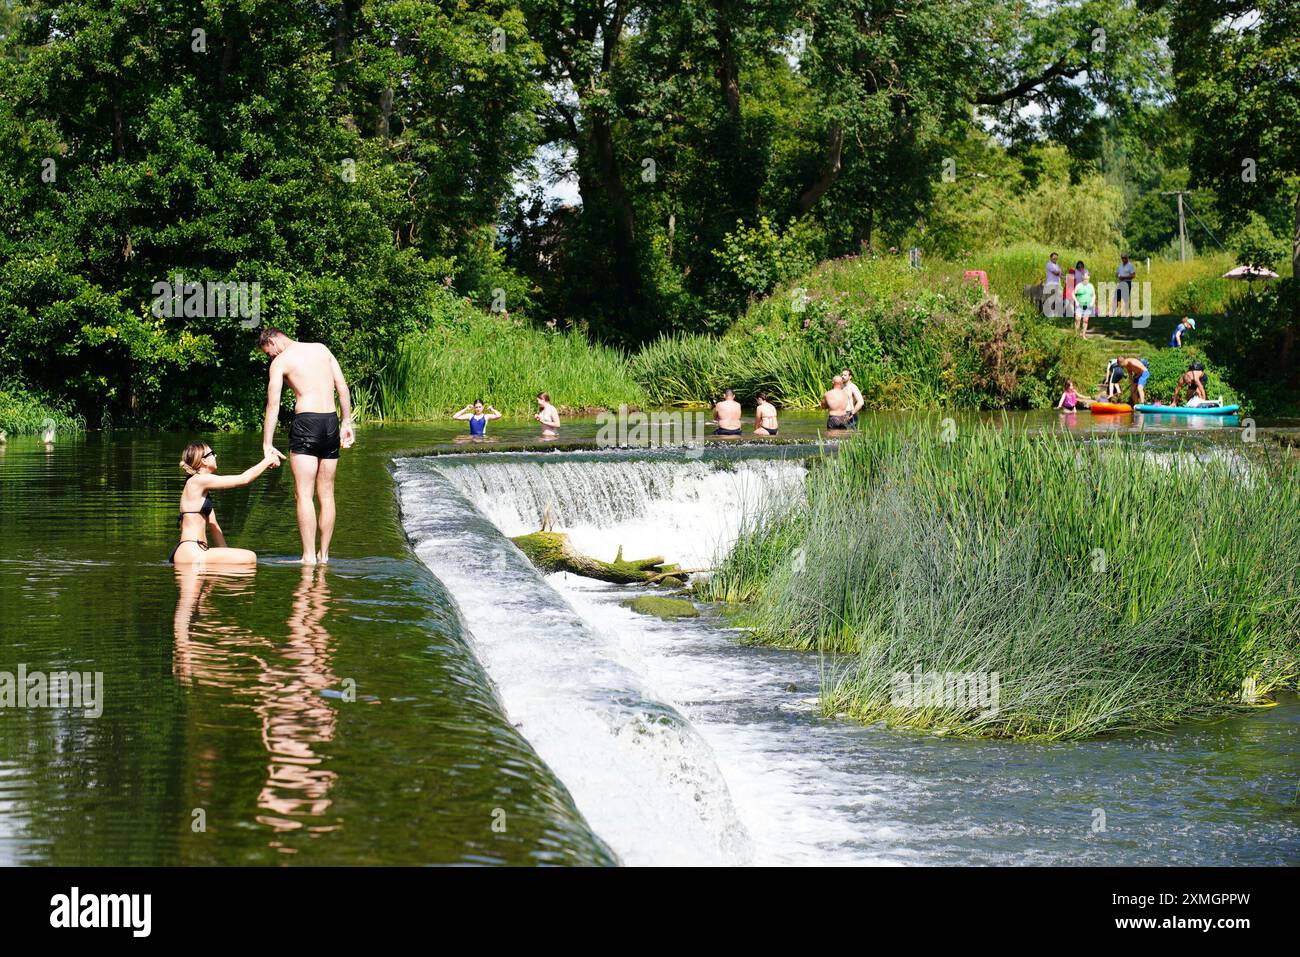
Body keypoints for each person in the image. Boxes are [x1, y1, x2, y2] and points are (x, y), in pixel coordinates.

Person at [259, 328, 355, 565]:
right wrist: (347, 422)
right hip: (330, 422)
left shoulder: (282, 361)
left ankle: (308, 557)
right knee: (327, 495)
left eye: (268, 353)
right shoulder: (321, 349)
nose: (270, 357)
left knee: (303, 494)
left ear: (272, 341)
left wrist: (267, 444)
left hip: (306, 424)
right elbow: (342, 387)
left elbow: (273, 405)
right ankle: (324, 556)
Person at [171, 441, 282, 565]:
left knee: (234, 574)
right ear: (204, 461)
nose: (216, 456)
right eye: (212, 453)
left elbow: (214, 526)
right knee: (250, 557)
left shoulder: (200, 490)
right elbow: (243, 479)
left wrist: (228, 556)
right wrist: (268, 460)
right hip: (192, 552)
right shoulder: (199, 480)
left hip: (195, 553)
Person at [1115, 254, 1136, 318]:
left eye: (1124, 258)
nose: (1123, 259)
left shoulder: (1130, 266)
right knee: (1116, 297)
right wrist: (1118, 275)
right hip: (1120, 283)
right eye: (1122, 258)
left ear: (1127, 258)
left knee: (1125, 299)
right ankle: (1113, 313)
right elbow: (1117, 273)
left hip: (1127, 283)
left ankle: (1126, 314)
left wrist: (1124, 277)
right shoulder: (1120, 265)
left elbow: (1133, 276)